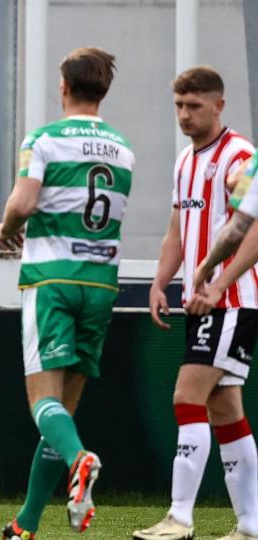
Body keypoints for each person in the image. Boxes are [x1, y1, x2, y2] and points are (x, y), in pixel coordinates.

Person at [0, 47, 134, 540]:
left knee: (42, 402)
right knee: (64, 412)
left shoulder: (44, 138)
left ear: (63, 87)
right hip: (100, 283)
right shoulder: (122, 148)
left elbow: (24, 201)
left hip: (52, 280)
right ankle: (25, 524)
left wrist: (4, 228)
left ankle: (81, 460)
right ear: (104, 89)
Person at [134, 67, 258, 540]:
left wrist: (220, 279)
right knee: (226, 410)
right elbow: (176, 229)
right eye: (179, 106)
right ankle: (249, 524)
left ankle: (179, 518)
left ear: (219, 105)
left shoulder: (239, 155)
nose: (184, 115)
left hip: (230, 301)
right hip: (201, 301)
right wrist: (160, 280)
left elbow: (254, 227)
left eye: (194, 106)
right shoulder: (185, 160)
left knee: (187, 397)